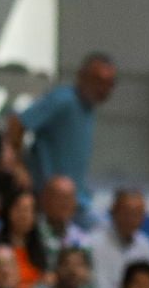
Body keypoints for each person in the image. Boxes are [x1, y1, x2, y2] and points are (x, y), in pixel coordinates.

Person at [8, 51, 115, 192]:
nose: (103, 89)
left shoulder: (88, 107)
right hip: (49, 194)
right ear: (82, 76)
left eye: (109, 84)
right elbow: (18, 123)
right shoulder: (63, 100)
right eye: (98, 81)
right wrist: (18, 166)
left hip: (72, 194)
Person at [85, 188, 149, 288]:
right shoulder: (92, 242)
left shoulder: (146, 244)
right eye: (127, 212)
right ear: (113, 211)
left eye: (137, 213)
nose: (131, 218)